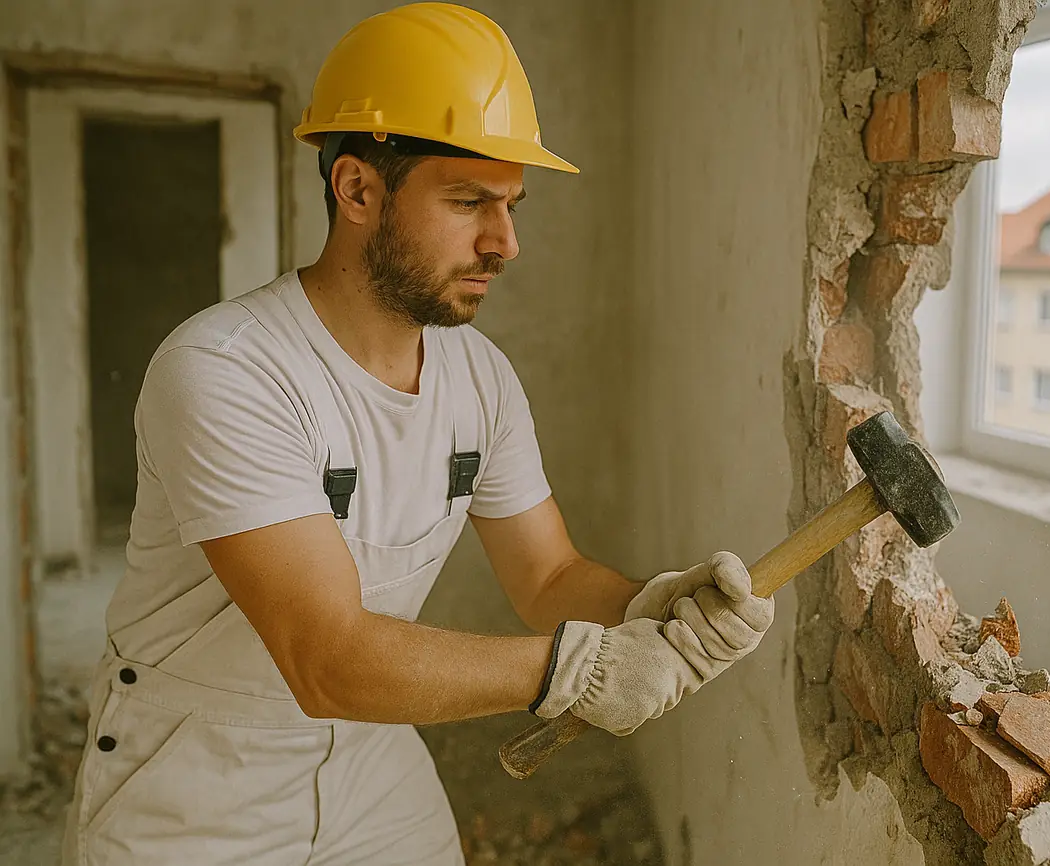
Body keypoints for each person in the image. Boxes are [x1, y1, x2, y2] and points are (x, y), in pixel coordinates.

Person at [59, 4, 774, 865]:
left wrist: (645, 608)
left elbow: (548, 576)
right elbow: (327, 657)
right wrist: (571, 671)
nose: (504, 242)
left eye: (511, 204)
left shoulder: (482, 379)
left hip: (371, 761)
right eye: (469, 200)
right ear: (357, 188)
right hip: (196, 781)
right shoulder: (225, 371)